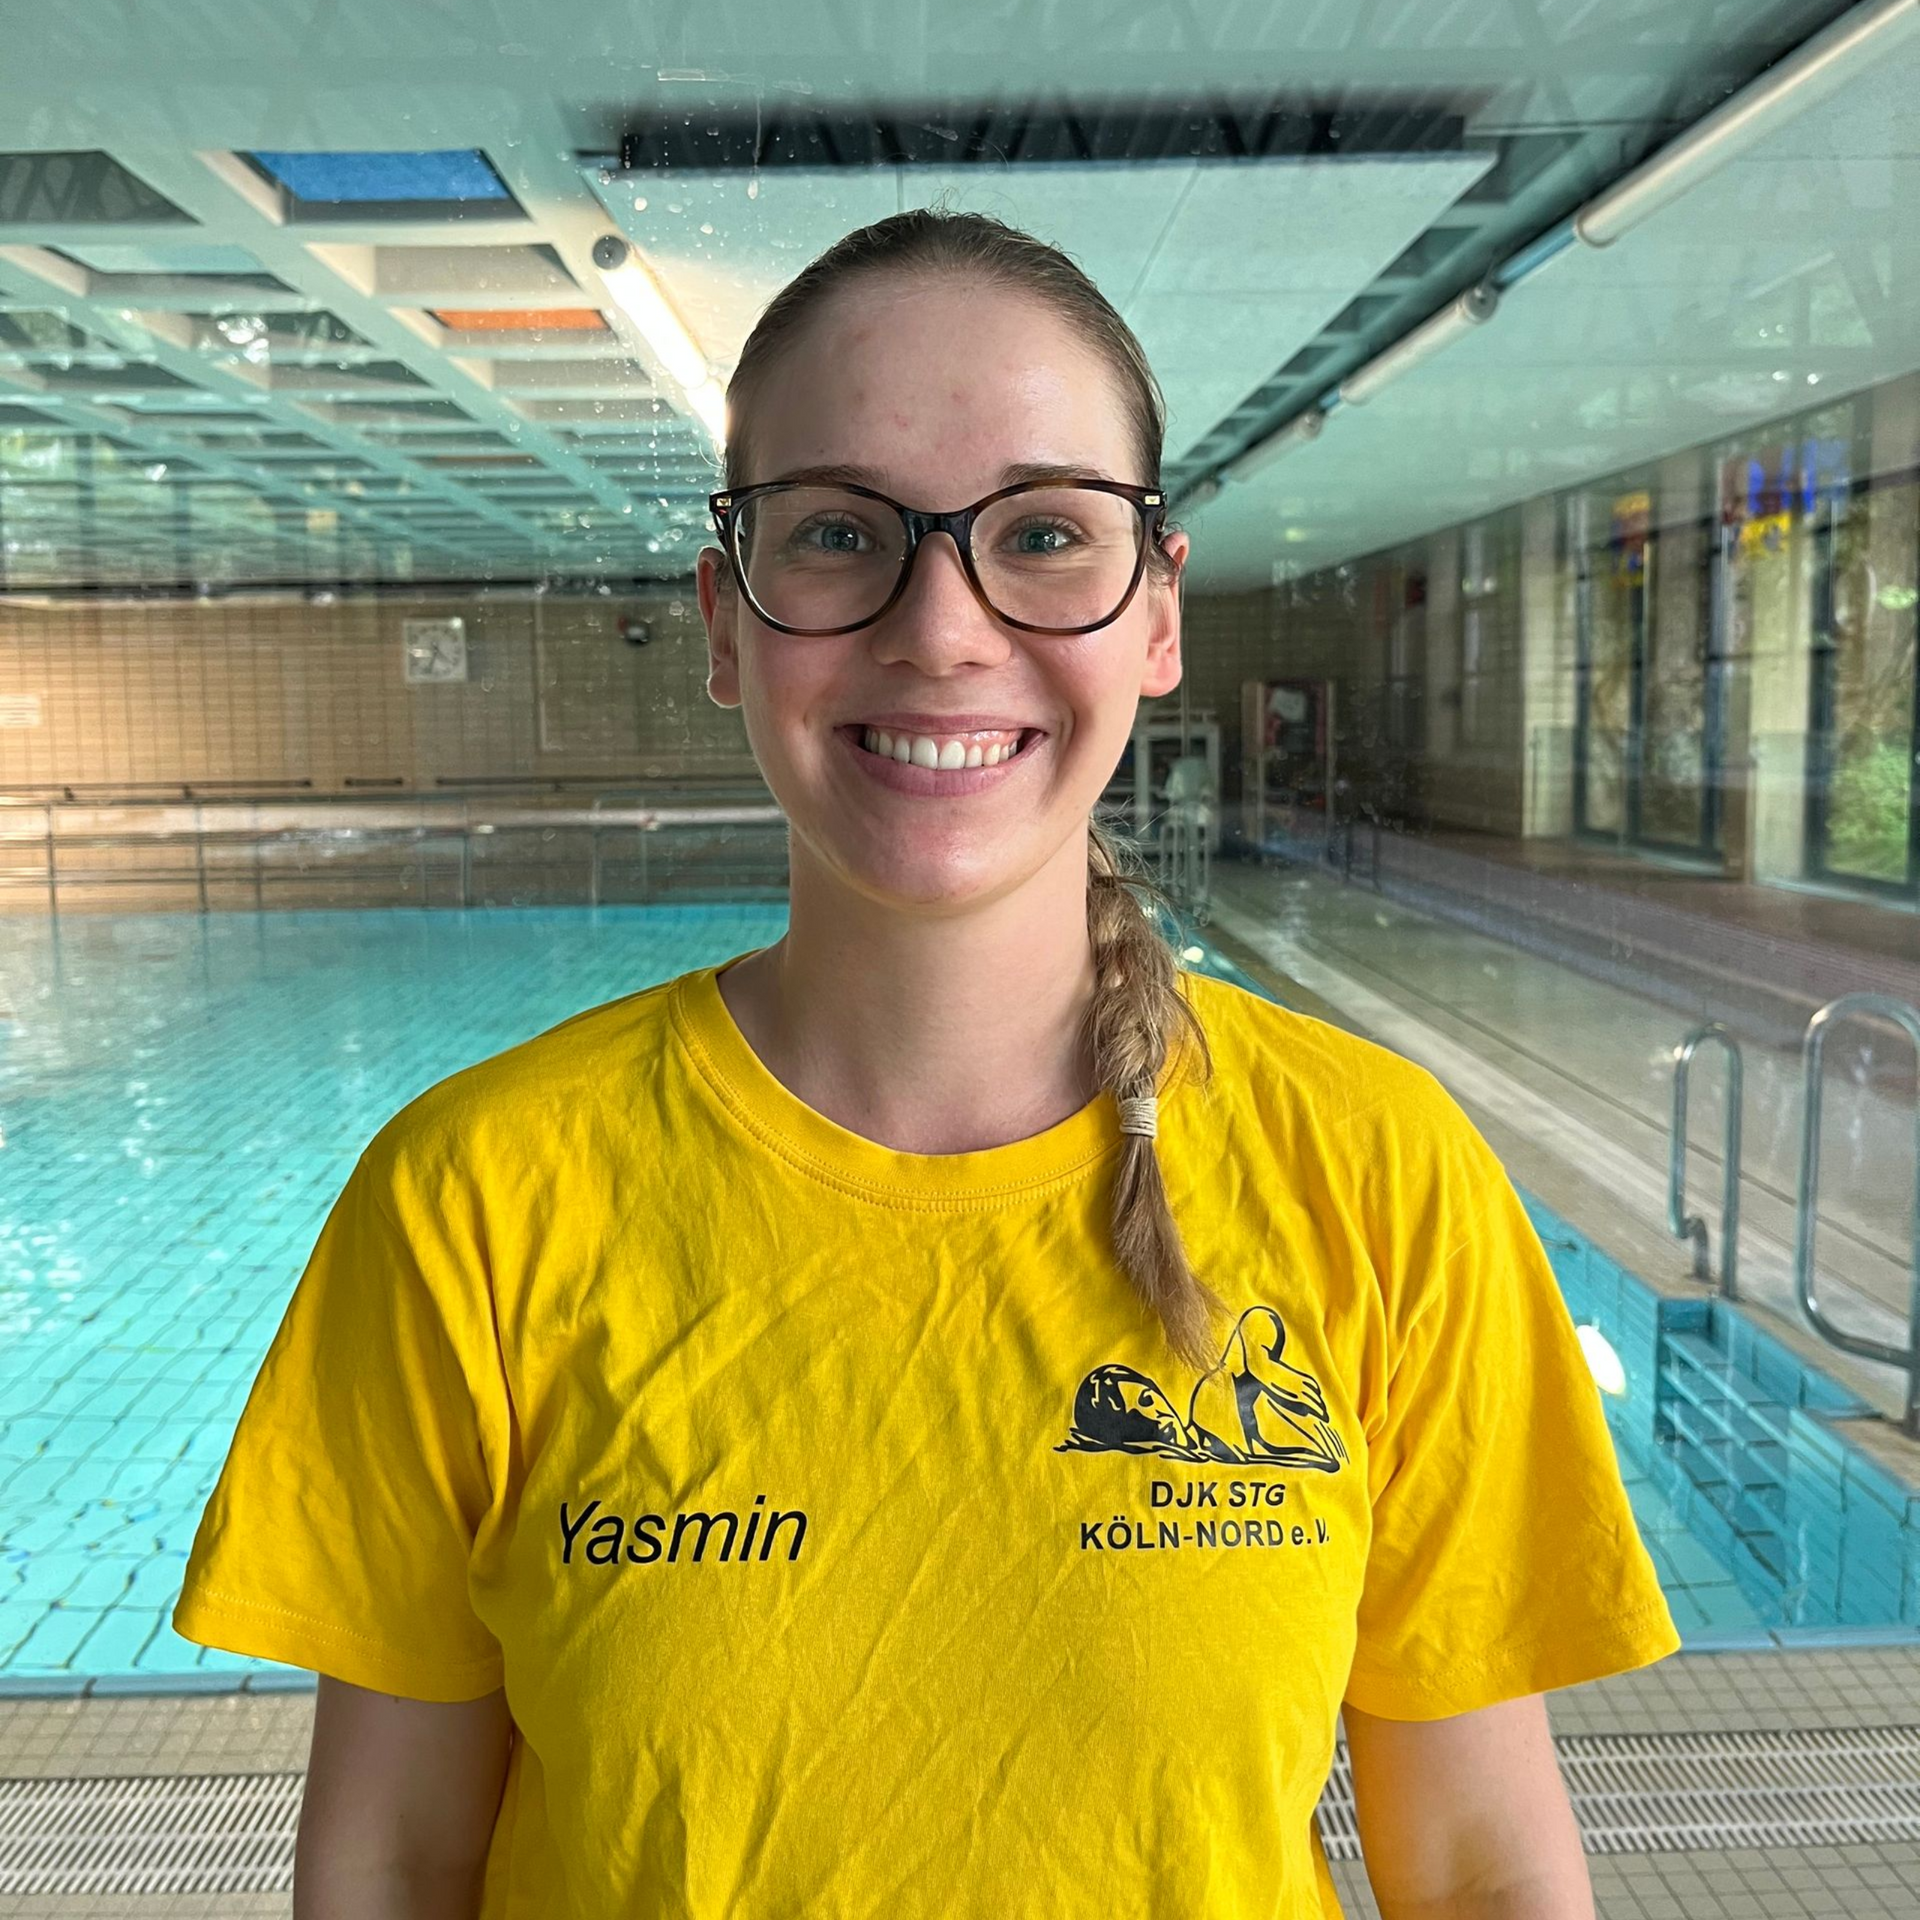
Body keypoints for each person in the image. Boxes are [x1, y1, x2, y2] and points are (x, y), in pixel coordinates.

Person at [174, 206, 1680, 1918]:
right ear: (727, 621)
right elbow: (393, 1862)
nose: (944, 629)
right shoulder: (476, 1199)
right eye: (839, 533)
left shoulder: (1380, 1172)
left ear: (1157, 616)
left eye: (1044, 533)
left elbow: (1482, 1866)